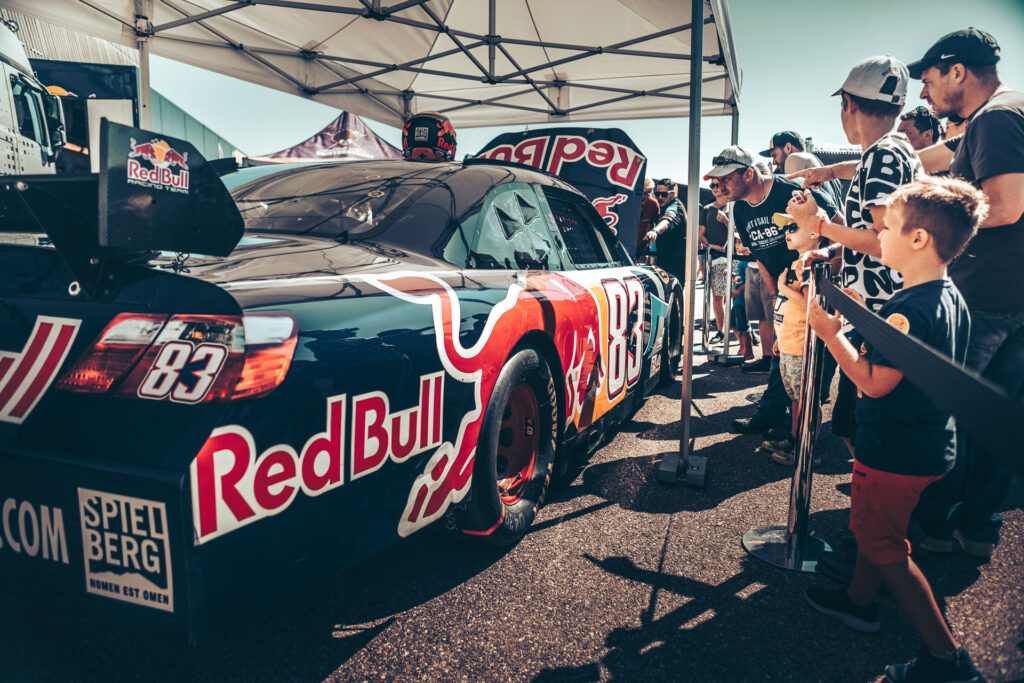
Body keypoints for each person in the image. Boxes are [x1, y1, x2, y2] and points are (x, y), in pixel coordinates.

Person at [803, 176, 986, 683]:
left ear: (918, 238)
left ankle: (946, 658)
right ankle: (859, 601)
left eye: (886, 227)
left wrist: (830, 335)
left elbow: (873, 382)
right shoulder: (945, 296)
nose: (877, 235)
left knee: (885, 545)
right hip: (928, 443)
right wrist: (853, 311)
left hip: (893, 449)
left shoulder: (909, 308)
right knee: (878, 530)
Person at [905, 27, 1024, 558]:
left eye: (929, 79)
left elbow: (1006, 204)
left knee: (943, 411)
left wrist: (928, 223)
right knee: (996, 419)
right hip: (1012, 297)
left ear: (958, 71)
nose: (923, 92)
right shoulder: (1007, 112)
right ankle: (976, 526)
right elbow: (935, 157)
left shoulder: (996, 117)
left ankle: (929, 527)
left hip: (986, 298)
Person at [787, 55, 923, 454]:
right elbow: (867, 183)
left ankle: (877, 494)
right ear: (899, 106)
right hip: (883, 310)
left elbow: (885, 241)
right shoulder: (893, 150)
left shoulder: (883, 156)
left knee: (870, 432)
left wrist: (817, 225)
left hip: (881, 315)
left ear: (847, 103)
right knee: (852, 424)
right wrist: (831, 249)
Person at [704, 146, 841, 438]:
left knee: (810, 376)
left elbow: (840, 229)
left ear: (748, 174)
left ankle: (799, 438)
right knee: (784, 359)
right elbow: (760, 256)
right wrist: (777, 297)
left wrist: (826, 282)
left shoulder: (793, 191)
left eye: (726, 178)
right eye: (717, 180)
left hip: (816, 291)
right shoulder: (740, 209)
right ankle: (776, 418)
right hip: (784, 291)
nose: (720, 185)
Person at [764, 212, 825, 463]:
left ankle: (807, 450)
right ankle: (794, 438)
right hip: (789, 344)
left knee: (807, 400)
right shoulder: (796, 263)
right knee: (795, 398)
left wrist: (784, 289)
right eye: (786, 228)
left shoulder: (812, 266)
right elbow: (787, 307)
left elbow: (813, 308)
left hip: (803, 346)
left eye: (793, 227)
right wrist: (780, 337)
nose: (786, 233)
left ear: (814, 232)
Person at [760, 130, 844, 209]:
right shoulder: (832, 178)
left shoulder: (793, 158)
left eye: (774, 155)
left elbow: (796, 207)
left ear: (788, 148)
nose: (774, 162)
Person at [699, 180, 731, 342]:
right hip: (715, 258)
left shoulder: (735, 206)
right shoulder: (707, 209)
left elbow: (741, 233)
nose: (715, 188)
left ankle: (744, 330)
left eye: (718, 184)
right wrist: (711, 246)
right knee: (718, 296)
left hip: (735, 258)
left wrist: (726, 221)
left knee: (736, 297)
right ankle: (721, 331)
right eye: (712, 185)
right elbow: (700, 235)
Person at [642, 178, 686, 282]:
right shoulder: (662, 206)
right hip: (663, 260)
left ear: (673, 194)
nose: (660, 197)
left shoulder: (675, 206)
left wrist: (655, 231)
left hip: (675, 265)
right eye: (657, 194)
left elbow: (667, 221)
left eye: (664, 194)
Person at [636, 178, 660, 261]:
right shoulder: (626, 200)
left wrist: (647, 247)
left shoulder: (653, 204)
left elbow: (653, 225)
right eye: (641, 193)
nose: (643, 197)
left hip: (641, 247)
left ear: (651, 192)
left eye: (646, 194)